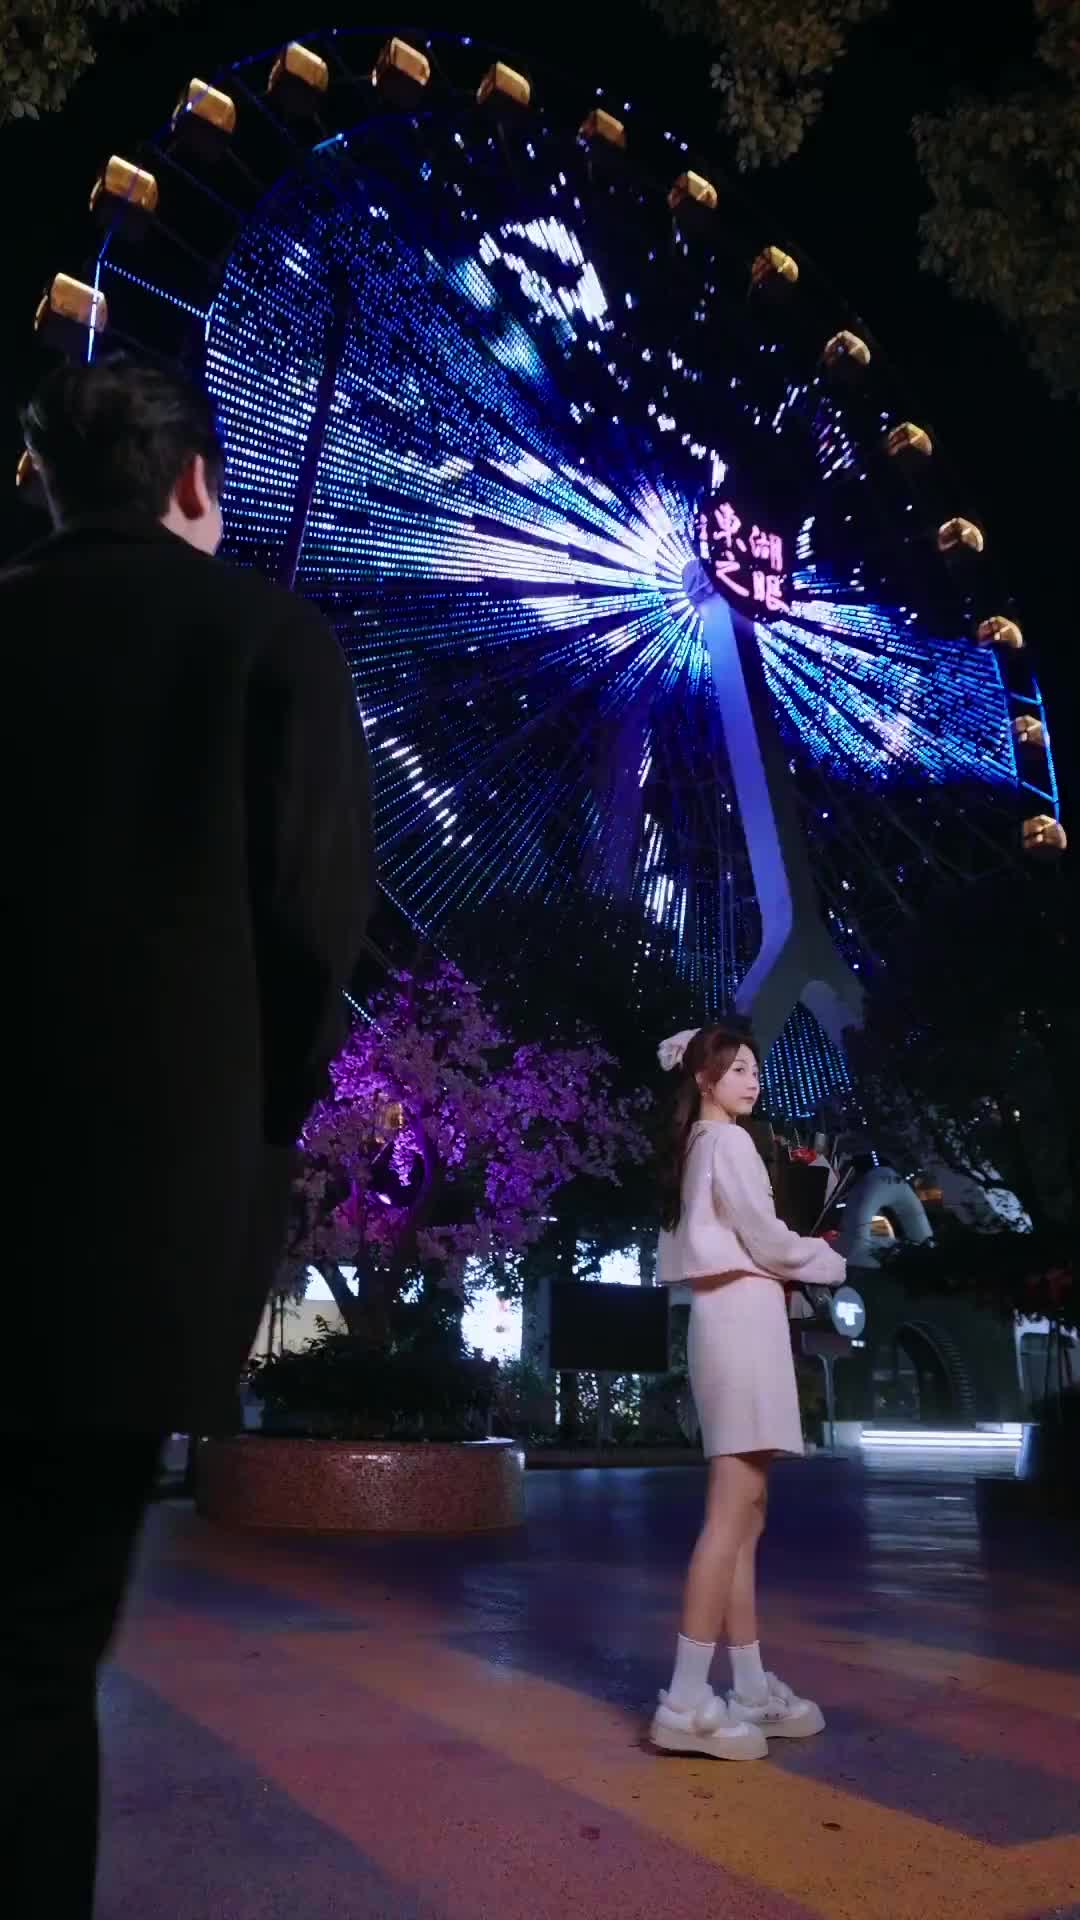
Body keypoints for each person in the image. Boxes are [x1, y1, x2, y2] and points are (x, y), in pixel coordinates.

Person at [2, 354, 373, 1912]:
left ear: (41, 480)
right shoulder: (268, 641)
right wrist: (237, 1131)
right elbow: (311, 932)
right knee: (38, 1647)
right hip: (127, 1236)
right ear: (199, 480)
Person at [650, 1024, 846, 1762]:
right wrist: (827, 1259)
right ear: (703, 1079)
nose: (752, 1080)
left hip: (737, 1318)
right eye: (736, 1069)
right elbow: (764, 1236)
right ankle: (685, 1700)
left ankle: (751, 1686)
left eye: (754, 1069)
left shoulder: (698, 1145)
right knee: (731, 1513)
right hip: (739, 1319)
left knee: (747, 1514)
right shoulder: (728, 1143)